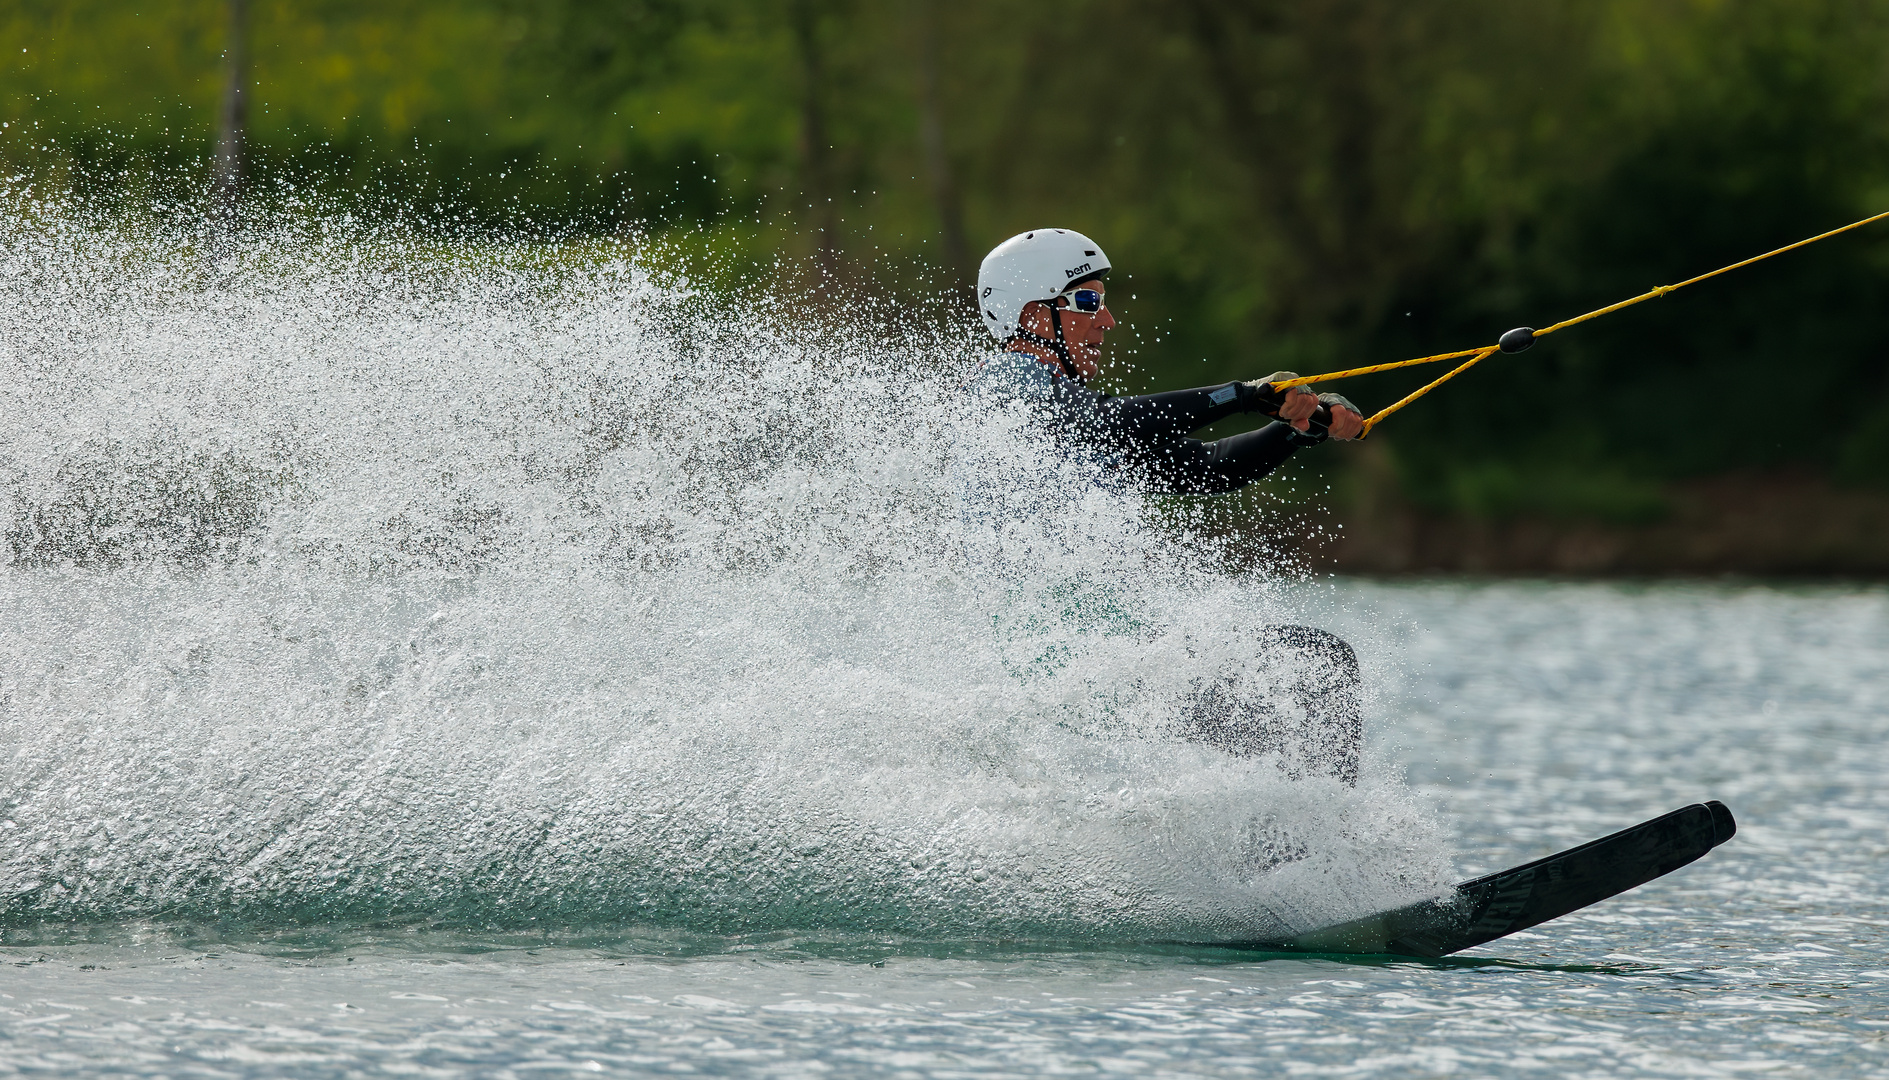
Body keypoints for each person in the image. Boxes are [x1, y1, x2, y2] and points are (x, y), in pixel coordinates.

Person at [969, 228, 1364, 782]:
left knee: (1299, 670)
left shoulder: (1071, 422)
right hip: (1071, 674)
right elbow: (1110, 424)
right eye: (1089, 301)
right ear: (1035, 316)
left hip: (1121, 661)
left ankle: (1290, 857)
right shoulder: (1007, 387)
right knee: (1311, 668)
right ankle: (1322, 856)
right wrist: (1242, 395)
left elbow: (1212, 467)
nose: (1107, 321)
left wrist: (1300, 429)